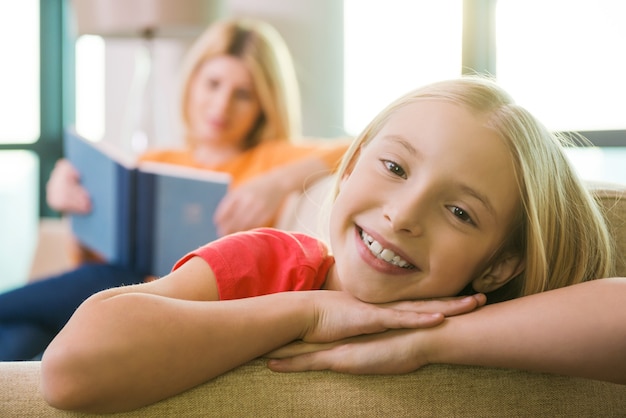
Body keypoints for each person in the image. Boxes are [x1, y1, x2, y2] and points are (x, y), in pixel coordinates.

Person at [40, 77, 625, 414]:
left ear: (498, 265)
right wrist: (313, 310)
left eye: (458, 211)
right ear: (349, 169)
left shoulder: (509, 330)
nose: (402, 215)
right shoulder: (269, 262)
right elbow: (69, 370)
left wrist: (424, 342)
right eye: (394, 166)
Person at [0, 17, 349, 361]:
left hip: (183, 300)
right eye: (213, 83)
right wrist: (75, 207)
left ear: (262, 106)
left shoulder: (273, 159)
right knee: (19, 336)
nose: (221, 105)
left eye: (242, 94)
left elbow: (358, 146)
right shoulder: (157, 158)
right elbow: (91, 264)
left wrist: (278, 182)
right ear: (193, 80)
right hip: (120, 288)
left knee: (34, 309)